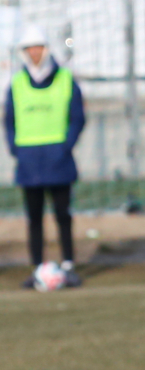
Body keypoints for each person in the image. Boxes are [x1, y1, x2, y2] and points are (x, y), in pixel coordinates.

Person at [6, 24, 86, 289]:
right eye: (29, 48)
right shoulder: (17, 83)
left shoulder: (65, 79)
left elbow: (77, 117)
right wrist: (16, 149)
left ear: (46, 49)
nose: (34, 53)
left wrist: (66, 146)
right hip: (29, 160)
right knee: (34, 218)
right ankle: (38, 267)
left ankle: (68, 266)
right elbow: (9, 121)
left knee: (63, 214)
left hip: (58, 158)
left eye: (38, 47)